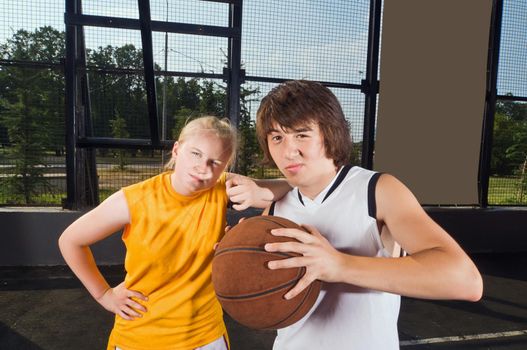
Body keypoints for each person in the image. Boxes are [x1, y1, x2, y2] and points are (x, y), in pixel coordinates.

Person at [254, 80, 483, 349]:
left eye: (301, 134)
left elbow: (465, 281)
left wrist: (339, 265)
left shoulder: (377, 191)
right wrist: (238, 264)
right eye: (277, 137)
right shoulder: (275, 208)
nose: (288, 150)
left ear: (330, 133)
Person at [59, 116, 290, 350]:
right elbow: (70, 240)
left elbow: (289, 185)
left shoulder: (221, 189)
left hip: (205, 335)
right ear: (177, 150)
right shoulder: (134, 199)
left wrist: (258, 191)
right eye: (196, 154)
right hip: (140, 336)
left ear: (225, 167)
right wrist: (104, 295)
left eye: (215, 162)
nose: (203, 167)